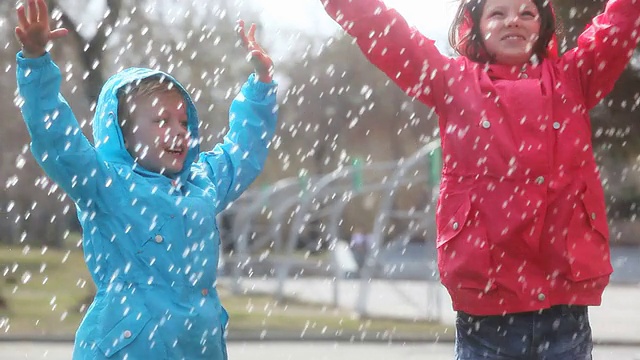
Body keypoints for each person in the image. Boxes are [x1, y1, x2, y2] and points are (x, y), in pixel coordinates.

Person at [320, 0, 640, 358]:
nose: (513, 21)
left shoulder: (574, 79)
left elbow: (617, 28)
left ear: (544, 26)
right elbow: (389, 35)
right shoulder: (452, 82)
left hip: (562, 305)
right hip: (487, 307)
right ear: (474, 25)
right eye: (498, 13)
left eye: (527, 13)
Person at [14, 0, 278, 358]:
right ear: (124, 133)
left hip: (198, 344)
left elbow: (241, 153)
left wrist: (260, 88)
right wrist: (36, 65)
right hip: (127, 346)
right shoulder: (106, 183)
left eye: (183, 122)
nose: (177, 131)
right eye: (161, 121)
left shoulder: (202, 182)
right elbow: (57, 139)